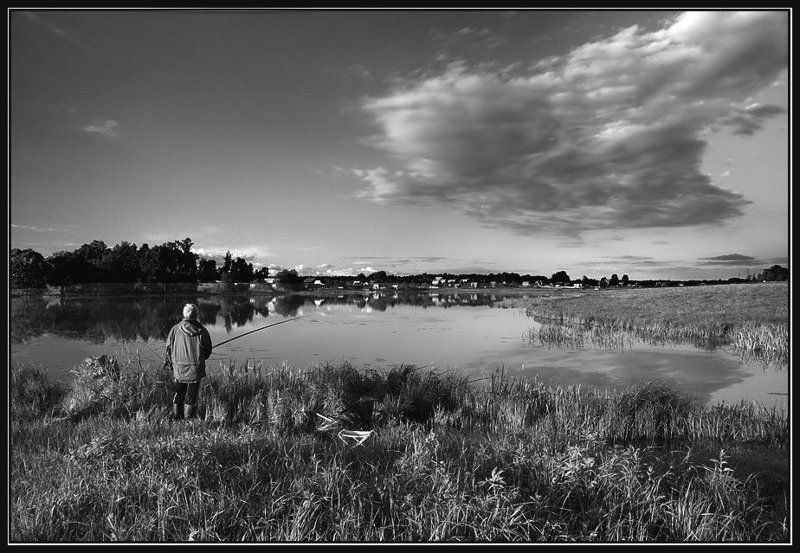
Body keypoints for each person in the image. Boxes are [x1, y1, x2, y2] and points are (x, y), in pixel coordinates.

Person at [165, 303, 212, 420]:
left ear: (184, 314)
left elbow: (168, 349)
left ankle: (177, 417)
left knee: (179, 393)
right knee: (192, 395)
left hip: (179, 368)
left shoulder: (175, 329)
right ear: (197, 315)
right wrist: (200, 358)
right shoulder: (202, 331)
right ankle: (189, 419)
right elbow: (208, 351)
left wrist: (171, 364)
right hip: (195, 369)